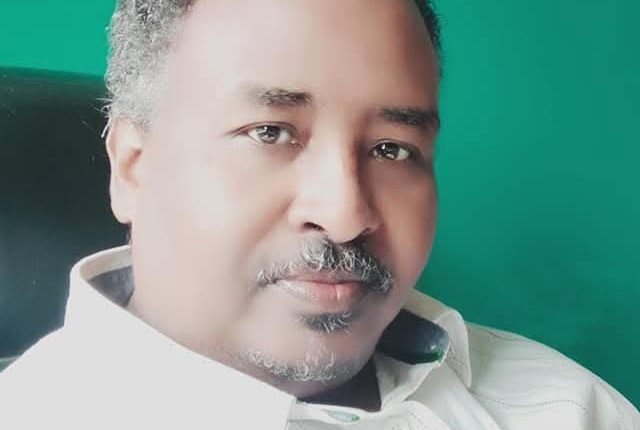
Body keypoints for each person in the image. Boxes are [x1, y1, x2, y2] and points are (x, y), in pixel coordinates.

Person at [0, 0, 637, 428]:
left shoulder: (568, 408)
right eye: (270, 132)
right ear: (134, 166)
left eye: (392, 149)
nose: (345, 214)